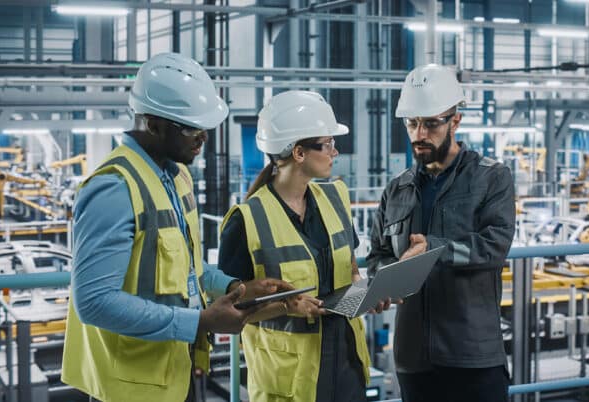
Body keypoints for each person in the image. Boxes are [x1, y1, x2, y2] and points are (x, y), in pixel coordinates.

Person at [61, 52, 295, 402]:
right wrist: (201, 322)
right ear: (152, 124)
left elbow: (186, 270)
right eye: (191, 127)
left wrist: (239, 288)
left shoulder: (178, 176)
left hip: (176, 372)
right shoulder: (114, 187)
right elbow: (94, 302)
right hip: (130, 387)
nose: (203, 138)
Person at [218, 90, 382, 402]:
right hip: (290, 383)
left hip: (346, 368)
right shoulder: (246, 221)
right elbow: (226, 313)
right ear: (299, 153)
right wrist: (285, 307)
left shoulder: (335, 198)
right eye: (327, 143)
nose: (335, 152)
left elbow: (351, 270)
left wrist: (367, 295)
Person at [367, 64, 516, 402]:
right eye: (412, 123)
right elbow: (378, 254)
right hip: (413, 357)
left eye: (431, 123)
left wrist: (433, 250)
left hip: (472, 355)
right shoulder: (397, 189)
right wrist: (384, 281)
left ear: (455, 121)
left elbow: (494, 247)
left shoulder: (491, 178)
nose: (420, 134)